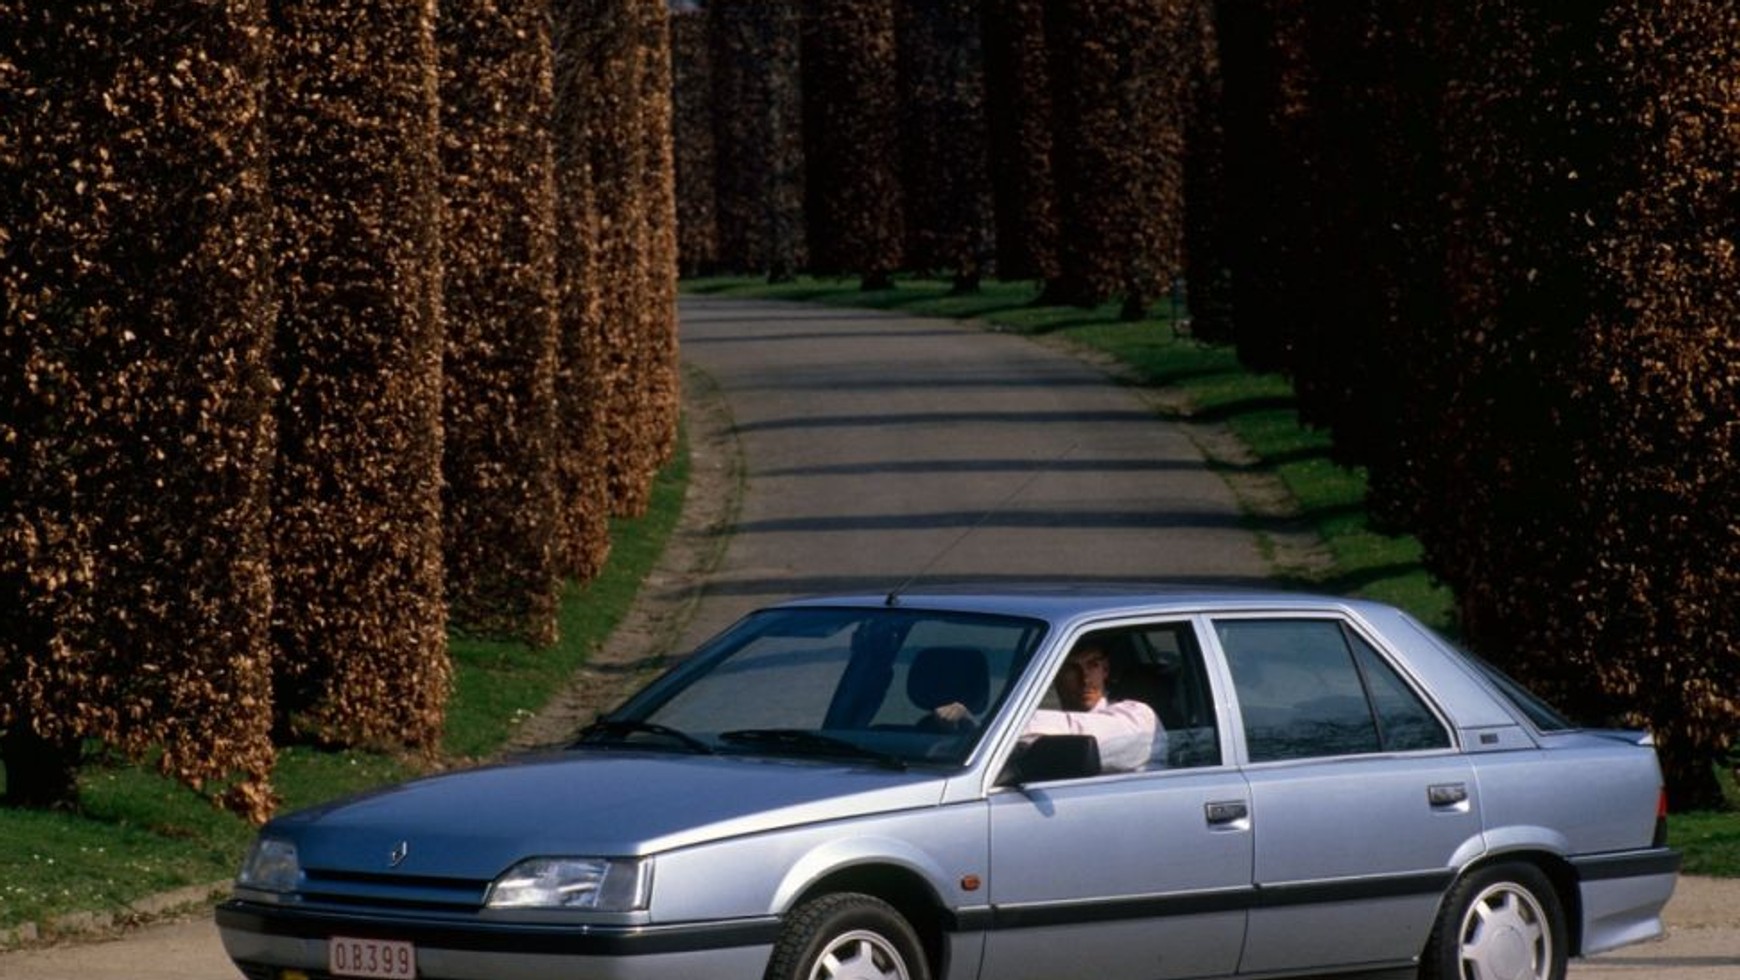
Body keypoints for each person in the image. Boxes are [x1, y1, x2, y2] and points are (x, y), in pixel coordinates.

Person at [931, 638, 1163, 772]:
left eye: (1093, 665)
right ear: (1054, 675)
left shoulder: (1138, 717)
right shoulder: (1044, 728)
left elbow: (1079, 730)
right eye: (1071, 668)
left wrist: (988, 727)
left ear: (1106, 670)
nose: (1084, 678)